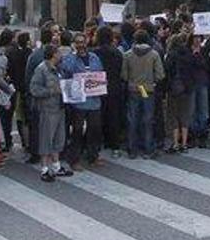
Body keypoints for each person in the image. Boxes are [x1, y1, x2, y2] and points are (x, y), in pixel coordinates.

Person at [60, 32, 105, 170]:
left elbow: (100, 72)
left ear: (86, 42)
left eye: (83, 42)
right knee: (77, 130)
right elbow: (66, 71)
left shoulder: (94, 57)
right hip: (78, 102)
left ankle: (93, 156)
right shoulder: (69, 58)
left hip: (94, 100)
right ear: (74, 44)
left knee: (94, 129)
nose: (81, 45)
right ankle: (74, 159)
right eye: (78, 42)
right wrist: (74, 56)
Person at [30, 45, 72, 182]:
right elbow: (34, 89)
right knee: (46, 138)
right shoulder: (42, 69)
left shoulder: (59, 68)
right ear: (54, 54)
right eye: (59, 52)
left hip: (59, 107)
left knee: (58, 138)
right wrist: (52, 91)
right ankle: (44, 169)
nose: (61, 55)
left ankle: (56, 166)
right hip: (48, 109)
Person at [121, 29, 165, 159]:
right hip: (147, 89)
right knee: (147, 118)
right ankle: (148, 149)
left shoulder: (127, 54)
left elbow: (123, 75)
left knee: (133, 118)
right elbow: (160, 75)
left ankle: (132, 149)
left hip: (134, 89)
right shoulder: (154, 54)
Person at [93, 26, 125, 158]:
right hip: (114, 87)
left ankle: (98, 143)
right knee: (113, 116)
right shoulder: (117, 53)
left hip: (98, 87)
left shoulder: (95, 53)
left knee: (98, 117)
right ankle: (115, 146)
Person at [164, 32, 196, 153]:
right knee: (185, 116)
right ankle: (184, 143)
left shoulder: (171, 55)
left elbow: (166, 71)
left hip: (174, 89)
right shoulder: (189, 54)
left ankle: (175, 143)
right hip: (187, 88)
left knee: (173, 116)